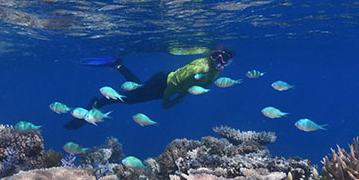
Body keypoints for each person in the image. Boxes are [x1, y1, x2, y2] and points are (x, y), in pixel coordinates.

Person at [65, 48, 235, 130]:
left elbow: (190, 87)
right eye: (215, 56)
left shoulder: (215, 71)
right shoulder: (201, 67)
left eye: (224, 58)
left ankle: (118, 66)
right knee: (131, 98)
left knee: (135, 91)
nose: (218, 60)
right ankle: (99, 101)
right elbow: (177, 82)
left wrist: (178, 98)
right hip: (163, 83)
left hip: (165, 86)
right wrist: (168, 99)